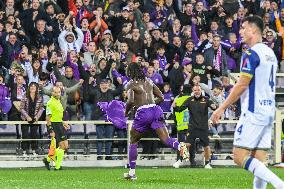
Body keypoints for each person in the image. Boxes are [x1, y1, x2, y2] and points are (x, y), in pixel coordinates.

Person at [211, 15, 284, 189]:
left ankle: (280, 185)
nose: (240, 31)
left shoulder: (251, 53)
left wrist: (221, 108)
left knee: (238, 156)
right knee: (259, 161)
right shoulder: (270, 53)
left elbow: (242, 84)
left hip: (253, 111)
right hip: (267, 111)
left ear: (253, 29)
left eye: (243, 27)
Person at [123, 63, 189, 180]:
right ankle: (180, 147)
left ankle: (132, 173)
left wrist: (126, 112)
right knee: (166, 139)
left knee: (133, 141)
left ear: (130, 72)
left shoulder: (130, 84)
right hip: (156, 109)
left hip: (143, 112)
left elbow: (130, 101)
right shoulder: (149, 81)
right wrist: (150, 105)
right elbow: (161, 97)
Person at [174, 85, 217, 169]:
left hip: (203, 127)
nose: (197, 91)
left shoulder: (206, 99)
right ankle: (179, 160)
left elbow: (214, 106)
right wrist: (175, 107)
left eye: (198, 90)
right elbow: (180, 108)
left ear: (201, 90)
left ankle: (207, 163)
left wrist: (214, 107)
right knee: (186, 144)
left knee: (206, 146)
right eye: (195, 90)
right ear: (193, 91)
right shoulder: (189, 100)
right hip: (192, 127)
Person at [43, 86, 69, 170]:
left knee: (65, 146)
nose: (57, 94)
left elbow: (57, 115)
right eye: (55, 92)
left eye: (58, 92)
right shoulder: (50, 103)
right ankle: (57, 166)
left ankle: (47, 160)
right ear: (52, 93)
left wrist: (63, 122)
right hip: (54, 125)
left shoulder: (58, 101)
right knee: (62, 146)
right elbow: (48, 118)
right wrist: (50, 129)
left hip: (59, 124)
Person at [20, 82, 43, 155]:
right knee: (25, 135)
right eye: (31, 86)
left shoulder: (39, 97)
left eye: (34, 86)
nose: (32, 87)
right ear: (29, 87)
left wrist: (36, 117)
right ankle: (24, 151)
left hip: (35, 118)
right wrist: (27, 117)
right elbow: (21, 108)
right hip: (25, 118)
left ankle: (34, 150)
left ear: (37, 88)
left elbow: (41, 108)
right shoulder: (25, 96)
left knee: (34, 135)